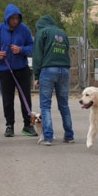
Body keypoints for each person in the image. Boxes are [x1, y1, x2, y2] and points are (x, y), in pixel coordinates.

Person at [0, 4, 37, 138]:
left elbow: (32, 46)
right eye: (12, 18)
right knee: (7, 99)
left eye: (17, 18)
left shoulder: (24, 30)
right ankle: (9, 125)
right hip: (5, 69)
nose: (15, 21)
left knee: (25, 97)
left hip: (22, 69)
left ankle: (28, 125)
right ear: (7, 18)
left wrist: (21, 50)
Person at [32, 14, 74, 145]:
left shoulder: (42, 32)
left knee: (45, 105)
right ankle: (69, 135)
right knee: (64, 105)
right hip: (64, 70)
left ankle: (47, 137)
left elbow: (37, 55)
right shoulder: (62, 32)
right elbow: (67, 50)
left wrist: (37, 75)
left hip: (48, 69)